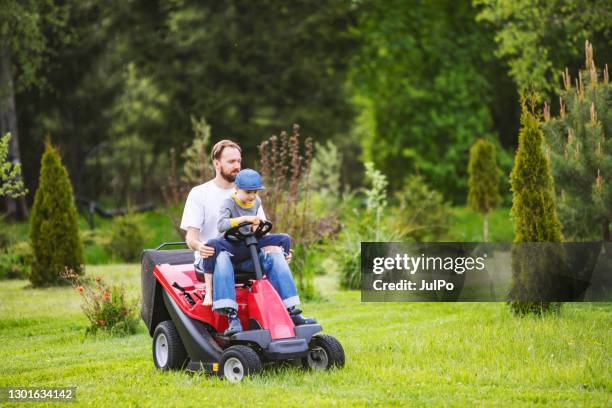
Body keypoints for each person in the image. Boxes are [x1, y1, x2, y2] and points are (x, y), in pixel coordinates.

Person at [180, 140, 315, 336]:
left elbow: (262, 232)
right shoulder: (200, 194)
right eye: (231, 161)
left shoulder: (250, 193)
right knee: (222, 256)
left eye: (239, 161)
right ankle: (231, 320)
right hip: (213, 257)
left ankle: (291, 312)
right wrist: (201, 247)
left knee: (276, 255)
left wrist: (277, 249)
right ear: (217, 164)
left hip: (246, 256)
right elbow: (190, 238)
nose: (236, 166)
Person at [196, 168, 292, 307]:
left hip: (248, 246)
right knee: (211, 244)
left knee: (284, 239)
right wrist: (243, 219)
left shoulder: (256, 201)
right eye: (248, 192)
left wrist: (257, 229)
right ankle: (213, 297)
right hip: (228, 247)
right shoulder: (228, 203)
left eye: (255, 192)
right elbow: (221, 225)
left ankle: (286, 305)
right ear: (236, 188)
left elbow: (255, 225)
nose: (252, 196)